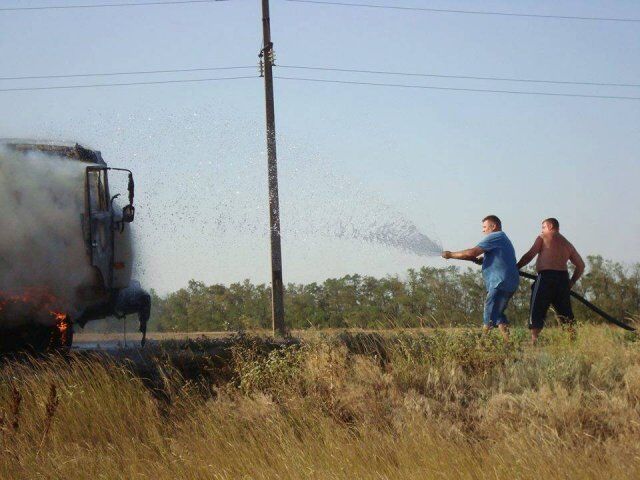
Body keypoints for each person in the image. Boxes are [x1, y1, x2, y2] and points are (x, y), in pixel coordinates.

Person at [442, 215, 519, 340]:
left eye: (485, 227)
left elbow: (471, 253)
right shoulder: (502, 238)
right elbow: (499, 257)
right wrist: (485, 260)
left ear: (493, 226)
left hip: (499, 282)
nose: (483, 230)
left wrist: (450, 254)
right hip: (509, 282)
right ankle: (508, 343)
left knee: (489, 310)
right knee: (498, 314)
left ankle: (481, 344)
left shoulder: (495, 236)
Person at [517, 217, 585, 344]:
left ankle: (534, 340)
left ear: (550, 226)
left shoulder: (543, 237)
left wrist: (516, 267)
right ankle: (572, 341)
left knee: (537, 307)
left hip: (546, 277)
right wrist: (571, 282)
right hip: (563, 279)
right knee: (565, 311)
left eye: (543, 227)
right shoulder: (567, 244)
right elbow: (581, 265)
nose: (542, 230)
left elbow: (530, 255)